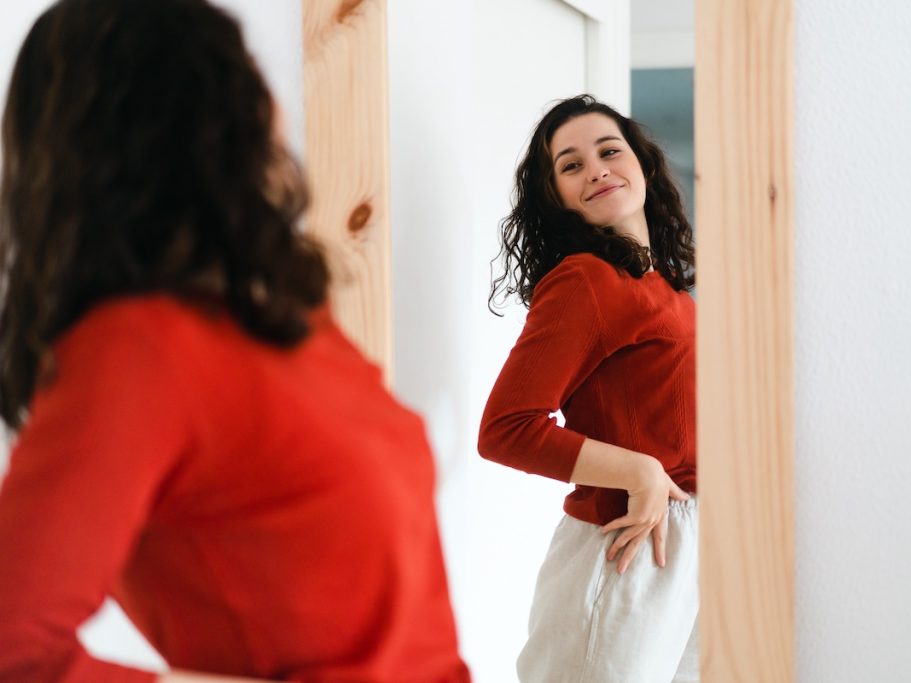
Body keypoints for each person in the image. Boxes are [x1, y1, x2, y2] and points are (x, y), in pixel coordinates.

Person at [0, 1, 470, 681]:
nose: (273, 102)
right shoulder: (135, 350)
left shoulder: (291, 317)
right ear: (183, 114)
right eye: (243, 72)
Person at [478, 94, 699, 683]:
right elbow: (505, 430)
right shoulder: (586, 281)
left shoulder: (663, 288)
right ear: (556, 197)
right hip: (625, 545)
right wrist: (642, 472)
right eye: (571, 165)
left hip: (684, 543)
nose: (596, 168)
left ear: (644, 166)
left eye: (609, 151)